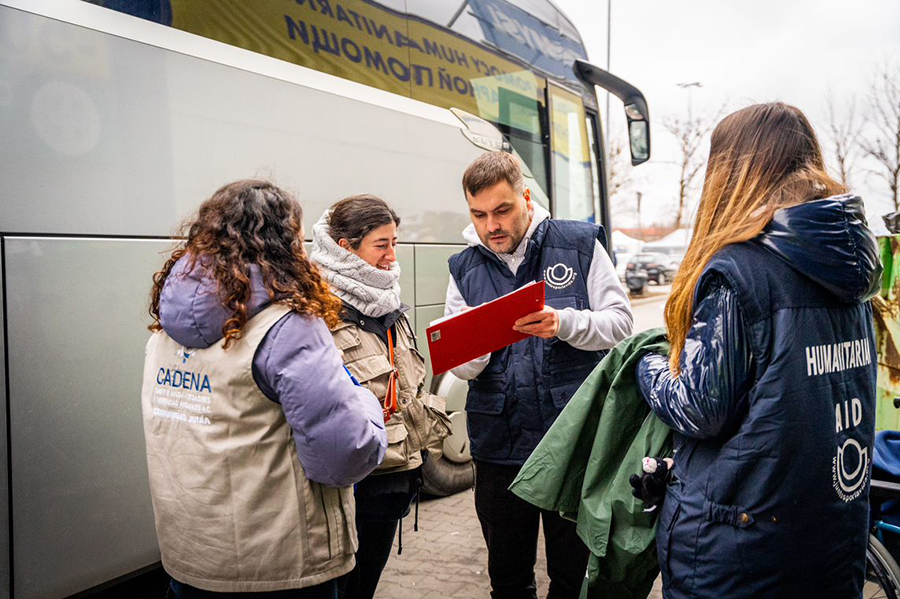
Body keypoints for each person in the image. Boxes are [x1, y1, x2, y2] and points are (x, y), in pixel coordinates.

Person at [635, 103, 882, 598]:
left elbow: (700, 408)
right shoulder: (848, 273)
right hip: (831, 538)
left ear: (732, 172)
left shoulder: (741, 270)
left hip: (741, 553)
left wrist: (648, 365)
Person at [141, 179, 388, 599]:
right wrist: (366, 401)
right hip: (281, 568)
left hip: (192, 560)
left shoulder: (165, 330)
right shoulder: (287, 327)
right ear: (282, 244)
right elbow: (343, 456)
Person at [444, 151, 633, 598]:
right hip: (499, 446)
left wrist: (564, 323)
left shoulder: (579, 244)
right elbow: (463, 367)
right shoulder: (464, 266)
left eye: (503, 210)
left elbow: (621, 324)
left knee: (571, 576)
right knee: (507, 579)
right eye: (479, 214)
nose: (492, 226)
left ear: (526, 198)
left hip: (569, 442)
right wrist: (477, 343)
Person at [310, 195, 452, 599]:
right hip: (353, 485)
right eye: (381, 244)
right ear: (345, 248)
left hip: (393, 479)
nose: (393, 255)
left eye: (395, 241)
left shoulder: (386, 299)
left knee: (366, 584)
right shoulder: (319, 310)